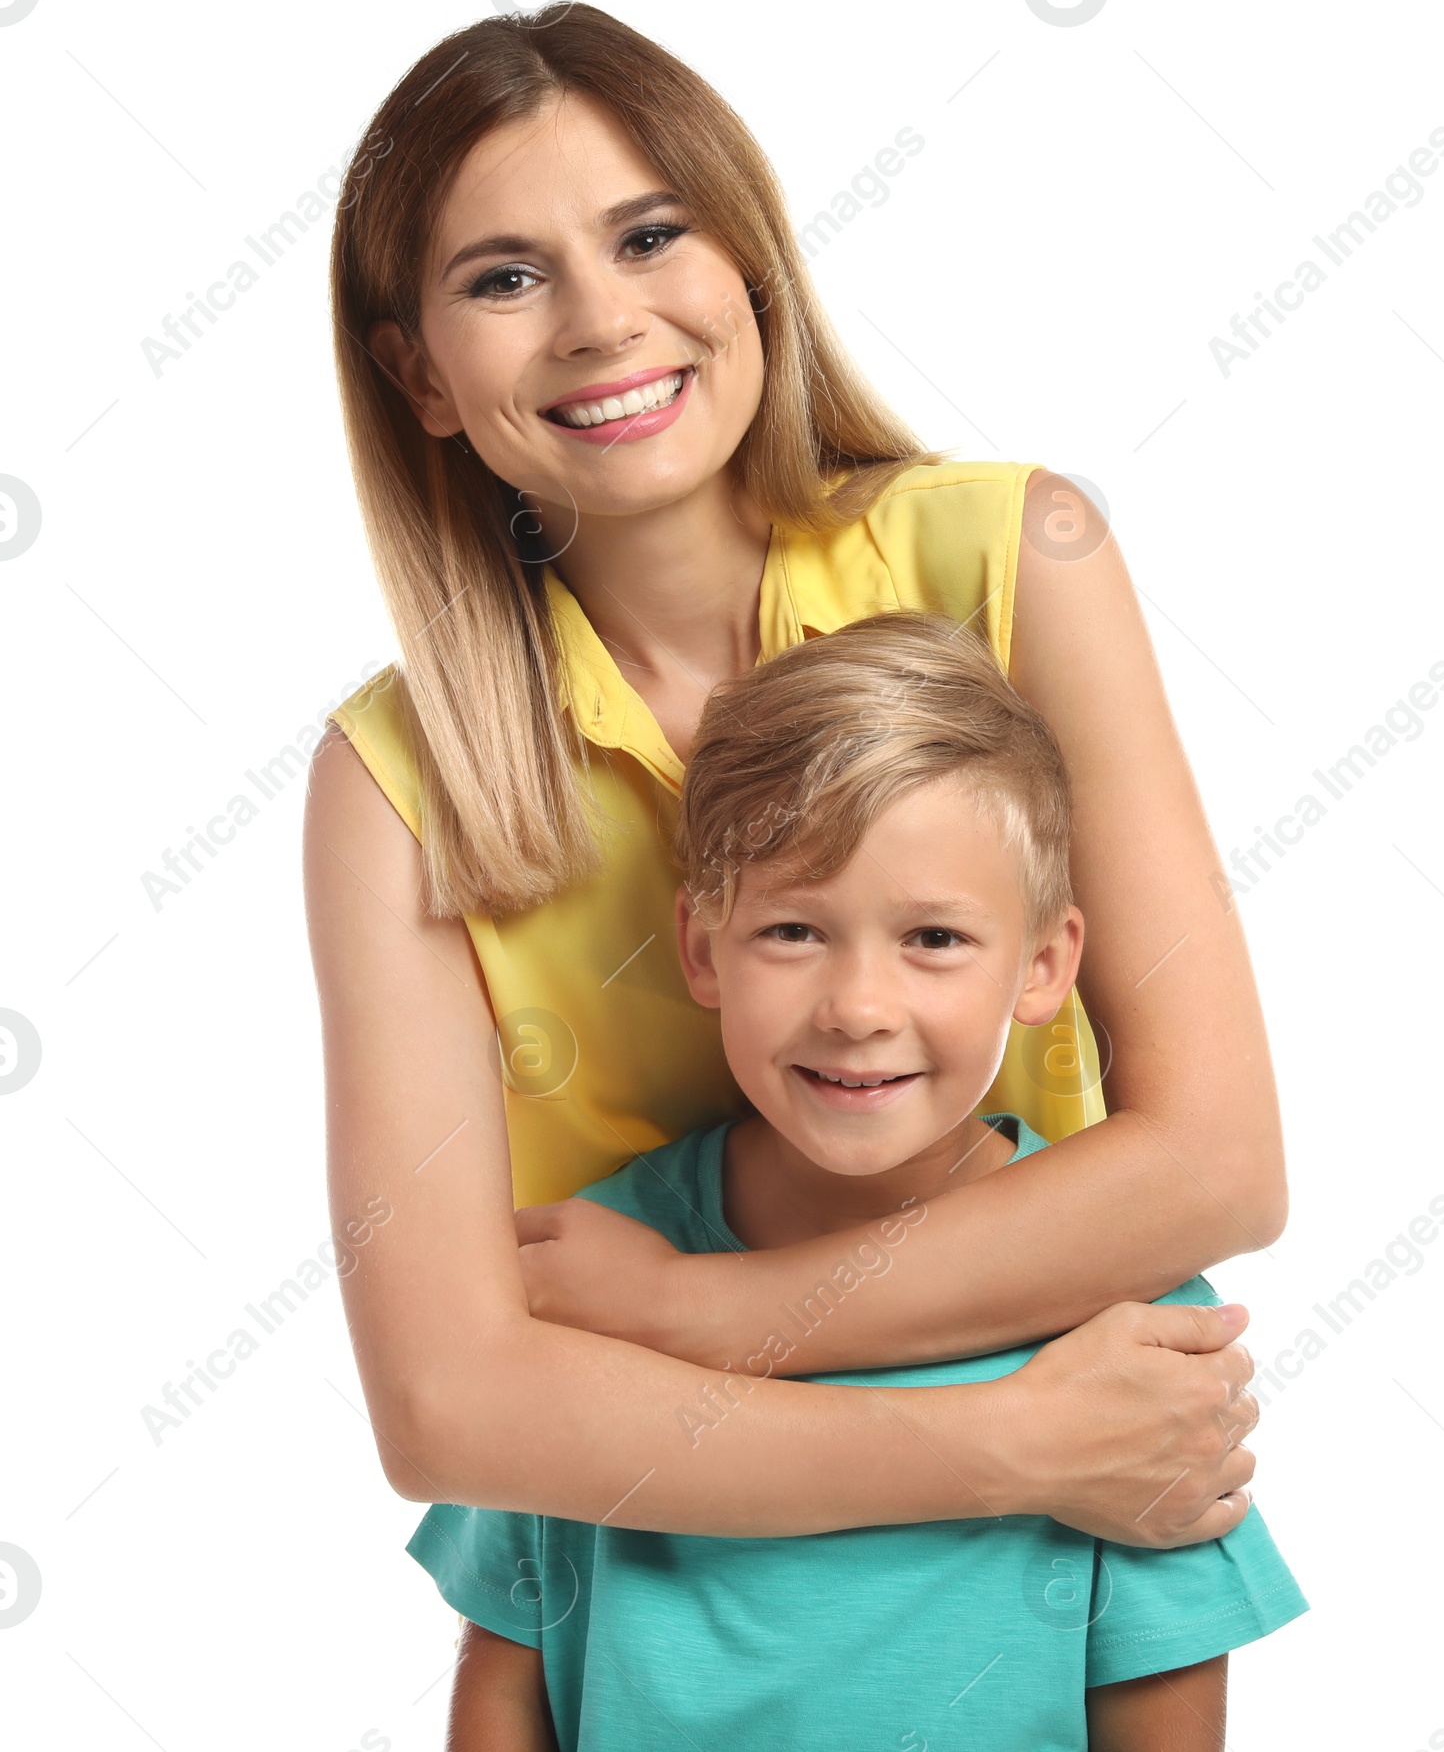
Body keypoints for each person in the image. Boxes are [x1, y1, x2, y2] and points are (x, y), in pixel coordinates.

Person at [305, 3, 1283, 1556]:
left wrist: (703, 1314)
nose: (598, 321)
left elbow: (1218, 1162)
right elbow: (447, 1408)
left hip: (1053, 1539)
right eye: (505, 277)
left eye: (650, 236)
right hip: (656, 1569)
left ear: (749, 262)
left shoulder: (1019, 555)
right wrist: (1006, 1439)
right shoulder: (395, 782)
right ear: (420, 375)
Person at [415, 612, 1307, 1751]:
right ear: (700, 947)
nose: (857, 1006)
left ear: (1043, 965)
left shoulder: (1127, 1325)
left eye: (932, 937)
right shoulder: (587, 1275)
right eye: (794, 928)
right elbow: (506, 1659)